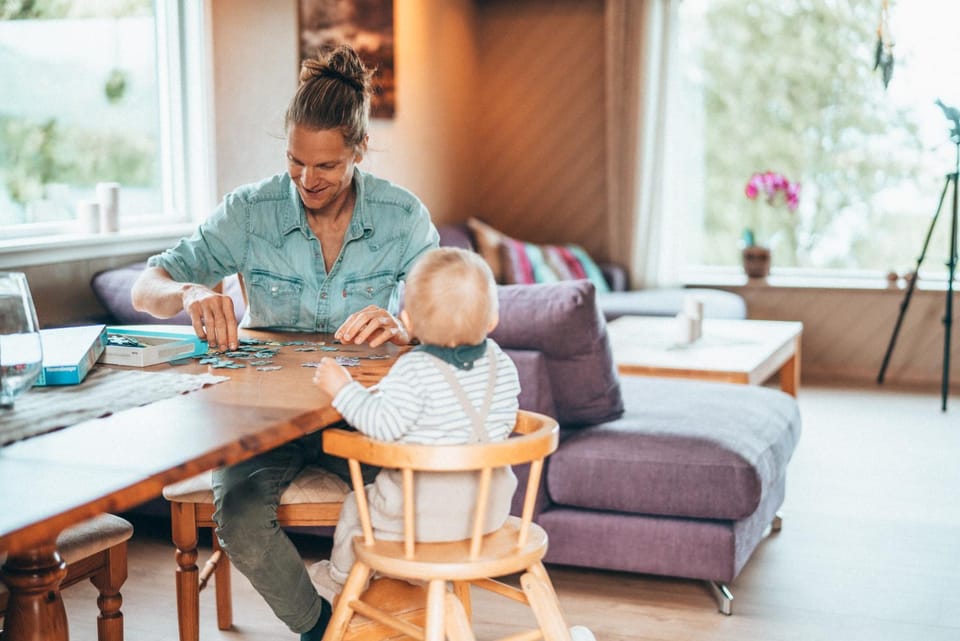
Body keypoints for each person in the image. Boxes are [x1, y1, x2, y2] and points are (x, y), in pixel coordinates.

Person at [131, 44, 439, 641]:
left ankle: (395, 622)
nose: (306, 180)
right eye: (296, 161)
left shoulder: (403, 217)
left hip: (362, 410)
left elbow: (449, 306)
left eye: (325, 166)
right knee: (241, 520)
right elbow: (150, 283)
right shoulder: (250, 211)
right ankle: (325, 630)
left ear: (358, 150)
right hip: (263, 416)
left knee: (419, 493)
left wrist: (409, 326)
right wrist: (192, 292)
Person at [309, 246, 521, 603]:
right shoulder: (503, 364)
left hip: (419, 520)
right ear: (492, 321)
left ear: (407, 320)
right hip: (487, 513)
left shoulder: (414, 370)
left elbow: (381, 426)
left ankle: (341, 578)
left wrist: (343, 389)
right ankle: (406, 585)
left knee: (354, 507)